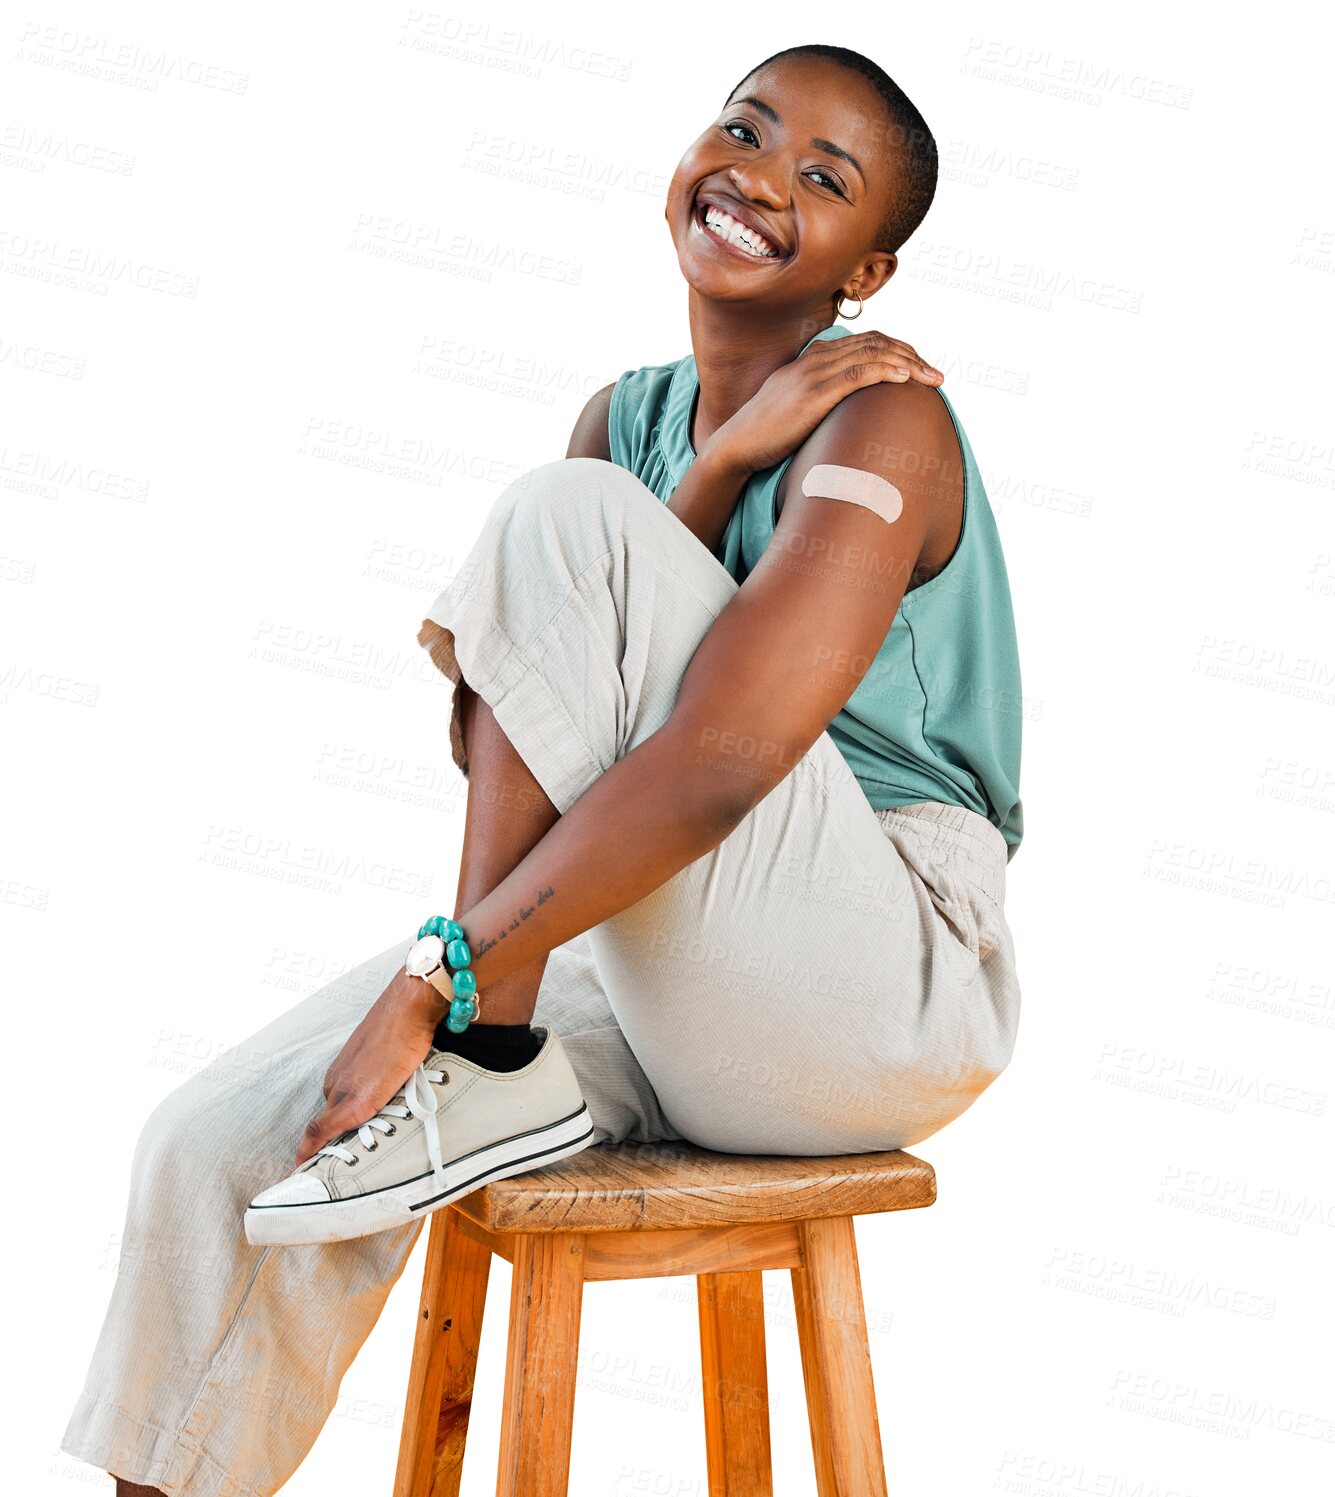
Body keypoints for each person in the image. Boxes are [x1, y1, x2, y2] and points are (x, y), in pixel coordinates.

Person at [61, 41, 1025, 1496]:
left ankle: (489, 1051)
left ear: (869, 273)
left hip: (884, 965)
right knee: (227, 1143)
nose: (759, 174)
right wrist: (705, 474)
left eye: (822, 179)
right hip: (668, 944)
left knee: (563, 525)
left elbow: (724, 756)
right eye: (744, 127)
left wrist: (436, 983)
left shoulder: (887, 415)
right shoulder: (622, 428)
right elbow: (500, 734)